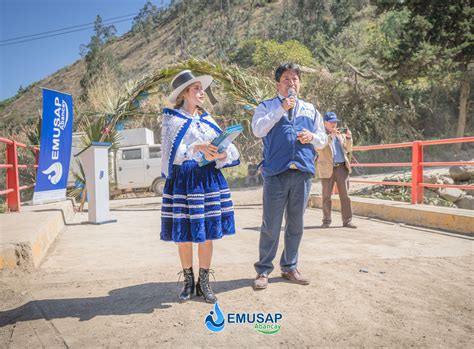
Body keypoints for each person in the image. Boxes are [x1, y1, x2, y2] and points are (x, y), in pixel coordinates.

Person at [160, 70, 240, 303]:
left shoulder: (207, 120)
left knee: (207, 233)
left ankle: (204, 283)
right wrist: (197, 148)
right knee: (184, 235)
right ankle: (188, 282)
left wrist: (221, 153)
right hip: (184, 182)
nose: (201, 92)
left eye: (201, 88)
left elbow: (230, 152)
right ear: (184, 93)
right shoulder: (172, 121)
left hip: (207, 180)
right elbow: (168, 157)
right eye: (196, 89)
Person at [251, 63, 327, 290]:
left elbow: (323, 140)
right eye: (286, 79)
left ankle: (290, 267)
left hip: (302, 173)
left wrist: (311, 137)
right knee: (271, 225)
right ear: (277, 85)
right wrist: (281, 109)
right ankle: (263, 270)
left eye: (295, 79)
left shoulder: (311, 110)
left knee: (296, 224)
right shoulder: (266, 106)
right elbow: (258, 130)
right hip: (276, 173)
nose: (291, 82)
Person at [317, 112, 356, 229]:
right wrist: (331, 136)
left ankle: (347, 221)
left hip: (341, 168)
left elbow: (348, 149)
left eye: (335, 122)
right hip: (327, 168)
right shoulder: (320, 135)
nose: (334, 124)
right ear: (325, 123)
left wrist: (348, 137)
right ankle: (326, 221)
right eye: (332, 122)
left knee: (345, 196)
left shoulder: (340, 135)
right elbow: (319, 147)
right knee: (326, 196)